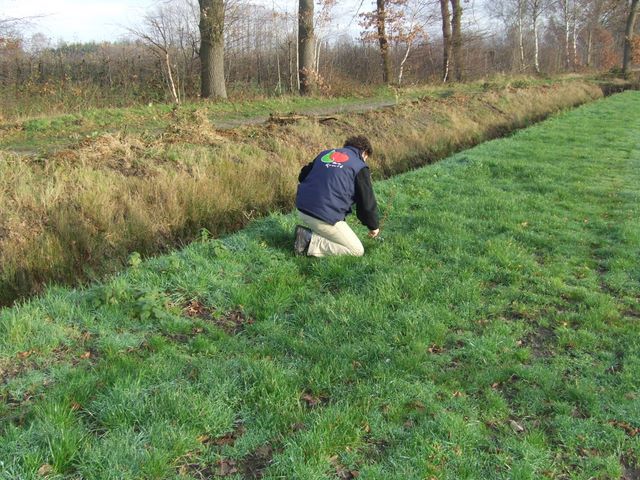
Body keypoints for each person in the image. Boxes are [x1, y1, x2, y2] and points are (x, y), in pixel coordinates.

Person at [294, 135, 380, 257]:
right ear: (364, 153)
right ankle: (307, 241)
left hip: (302, 208)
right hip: (321, 215)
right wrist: (373, 226)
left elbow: (302, 176)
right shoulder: (360, 166)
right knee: (356, 250)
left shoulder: (325, 154)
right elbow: (366, 203)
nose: (365, 161)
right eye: (366, 158)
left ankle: (312, 234)